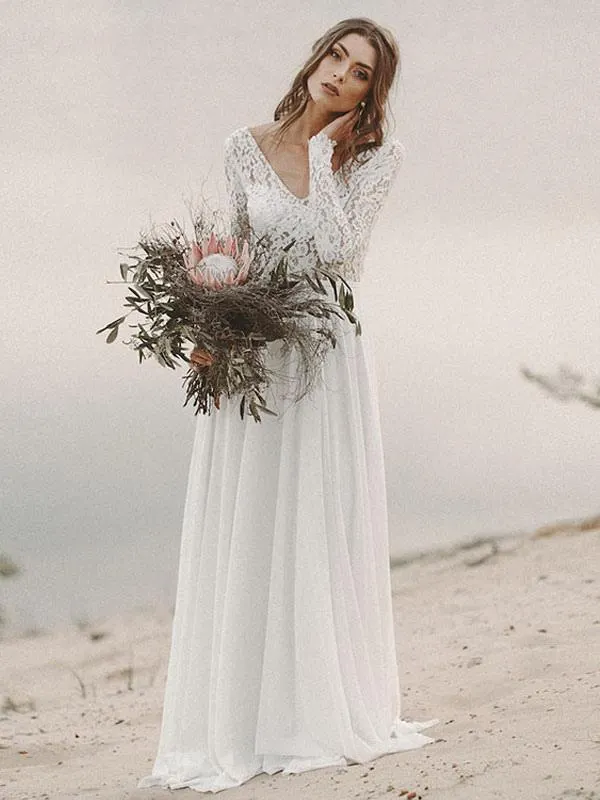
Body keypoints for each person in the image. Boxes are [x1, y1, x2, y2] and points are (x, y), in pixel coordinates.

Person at [137, 17, 438, 794]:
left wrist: (324, 158)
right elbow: (234, 250)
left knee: (312, 520)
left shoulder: (375, 158)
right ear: (316, 58)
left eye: (362, 72)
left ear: (372, 94)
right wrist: (205, 325)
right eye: (337, 56)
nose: (342, 74)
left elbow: (341, 256)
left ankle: (310, 712)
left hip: (324, 351)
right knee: (250, 519)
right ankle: (241, 714)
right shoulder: (244, 146)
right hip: (254, 349)